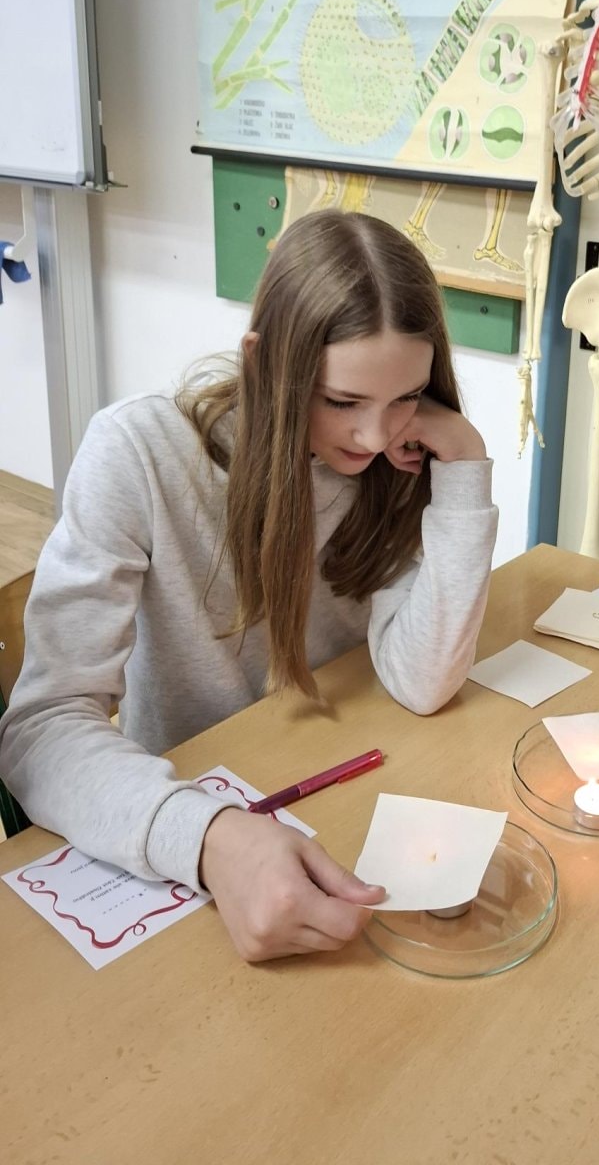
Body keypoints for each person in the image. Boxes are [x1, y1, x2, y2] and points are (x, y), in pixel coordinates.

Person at [0, 209, 498, 962]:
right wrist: (208, 837)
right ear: (264, 362)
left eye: (407, 397)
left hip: (329, 794)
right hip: (167, 822)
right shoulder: (138, 453)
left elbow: (423, 682)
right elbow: (41, 730)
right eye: (342, 402)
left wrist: (464, 463)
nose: (374, 437)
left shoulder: (405, 458)